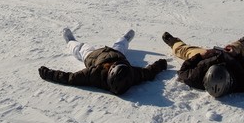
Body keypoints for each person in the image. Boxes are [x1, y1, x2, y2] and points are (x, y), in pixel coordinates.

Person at [38, 28, 167, 95]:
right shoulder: (132, 75)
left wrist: (48, 73)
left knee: (81, 49)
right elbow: (149, 72)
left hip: (93, 57)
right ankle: (126, 38)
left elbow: (70, 78)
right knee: (120, 45)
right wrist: (161, 64)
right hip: (116, 52)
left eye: (114, 64)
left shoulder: (93, 74)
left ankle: (70, 41)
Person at [162, 31, 244, 98]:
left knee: (186, 51)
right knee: (233, 48)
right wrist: (236, 56)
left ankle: (174, 43)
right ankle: (241, 44)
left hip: (207, 57)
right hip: (230, 58)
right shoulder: (243, 81)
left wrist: (200, 56)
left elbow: (183, 70)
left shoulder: (195, 77)